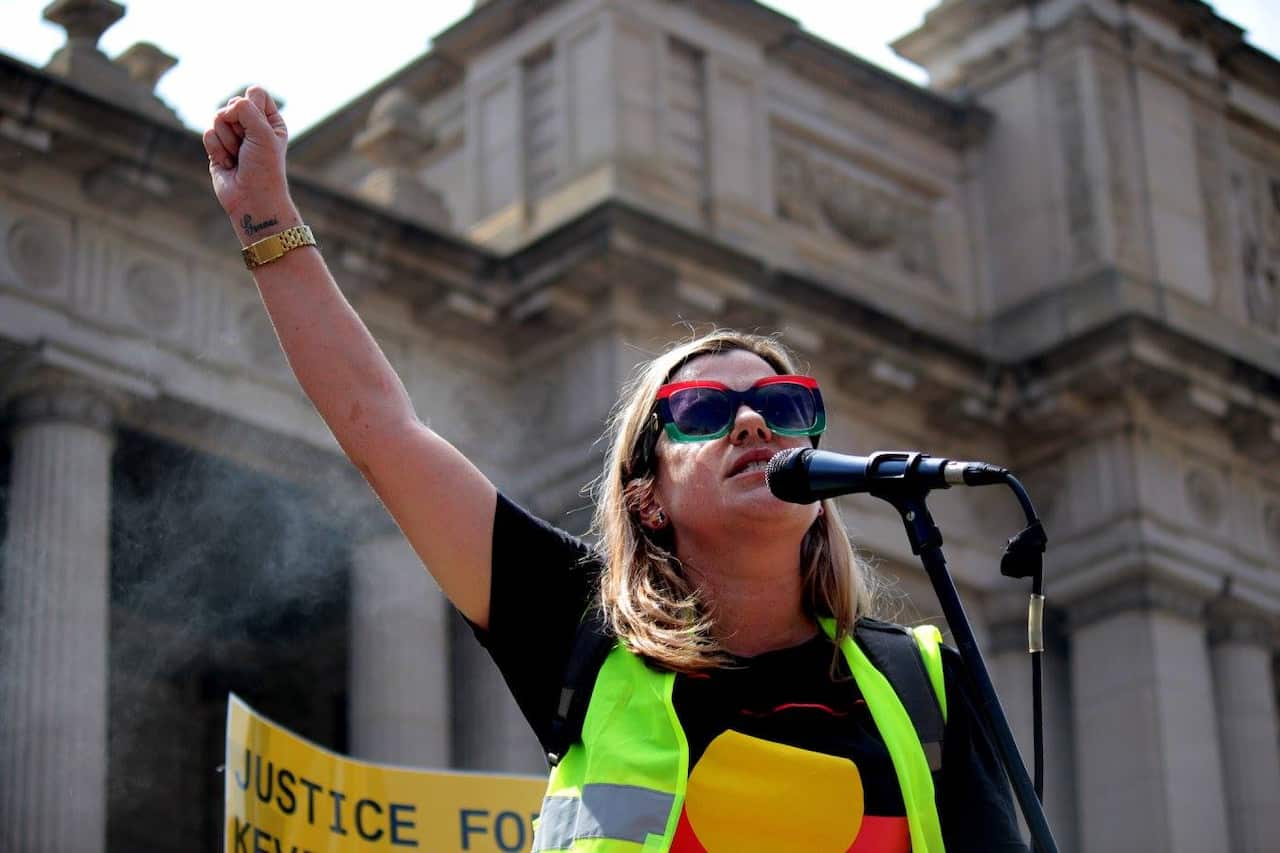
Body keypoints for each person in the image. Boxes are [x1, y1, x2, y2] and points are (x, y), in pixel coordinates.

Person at [204, 87, 1027, 853]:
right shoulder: (582, 632)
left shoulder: (921, 683)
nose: (751, 422)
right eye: (703, 410)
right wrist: (265, 217)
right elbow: (384, 430)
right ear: (647, 497)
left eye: (783, 405)